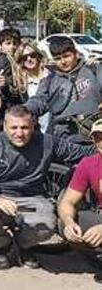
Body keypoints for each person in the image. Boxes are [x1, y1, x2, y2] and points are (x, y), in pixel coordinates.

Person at [0, 105, 93, 270]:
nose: (19, 133)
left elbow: (80, 152)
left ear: (33, 126)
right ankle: (3, 246)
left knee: (48, 224)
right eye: (14, 127)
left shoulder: (46, 142)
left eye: (25, 127)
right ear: (5, 127)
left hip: (33, 199)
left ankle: (22, 246)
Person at [25, 35, 102, 139]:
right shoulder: (49, 80)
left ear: (76, 53)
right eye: (57, 59)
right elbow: (38, 100)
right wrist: (24, 109)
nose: (63, 62)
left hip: (95, 133)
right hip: (65, 136)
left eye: (66, 56)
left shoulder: (94, 69)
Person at [58, 118, 102, 284]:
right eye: (98, 137)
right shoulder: (88, 164)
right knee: (65, 224)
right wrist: (69, 223)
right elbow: (67, 202)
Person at [12, 42, 51, 133]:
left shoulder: (52, 76)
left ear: (38, 56)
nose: (29, 59)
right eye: (24, 57)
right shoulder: (20, 83)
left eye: (32, 55)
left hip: (54, 129)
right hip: (34, 132)